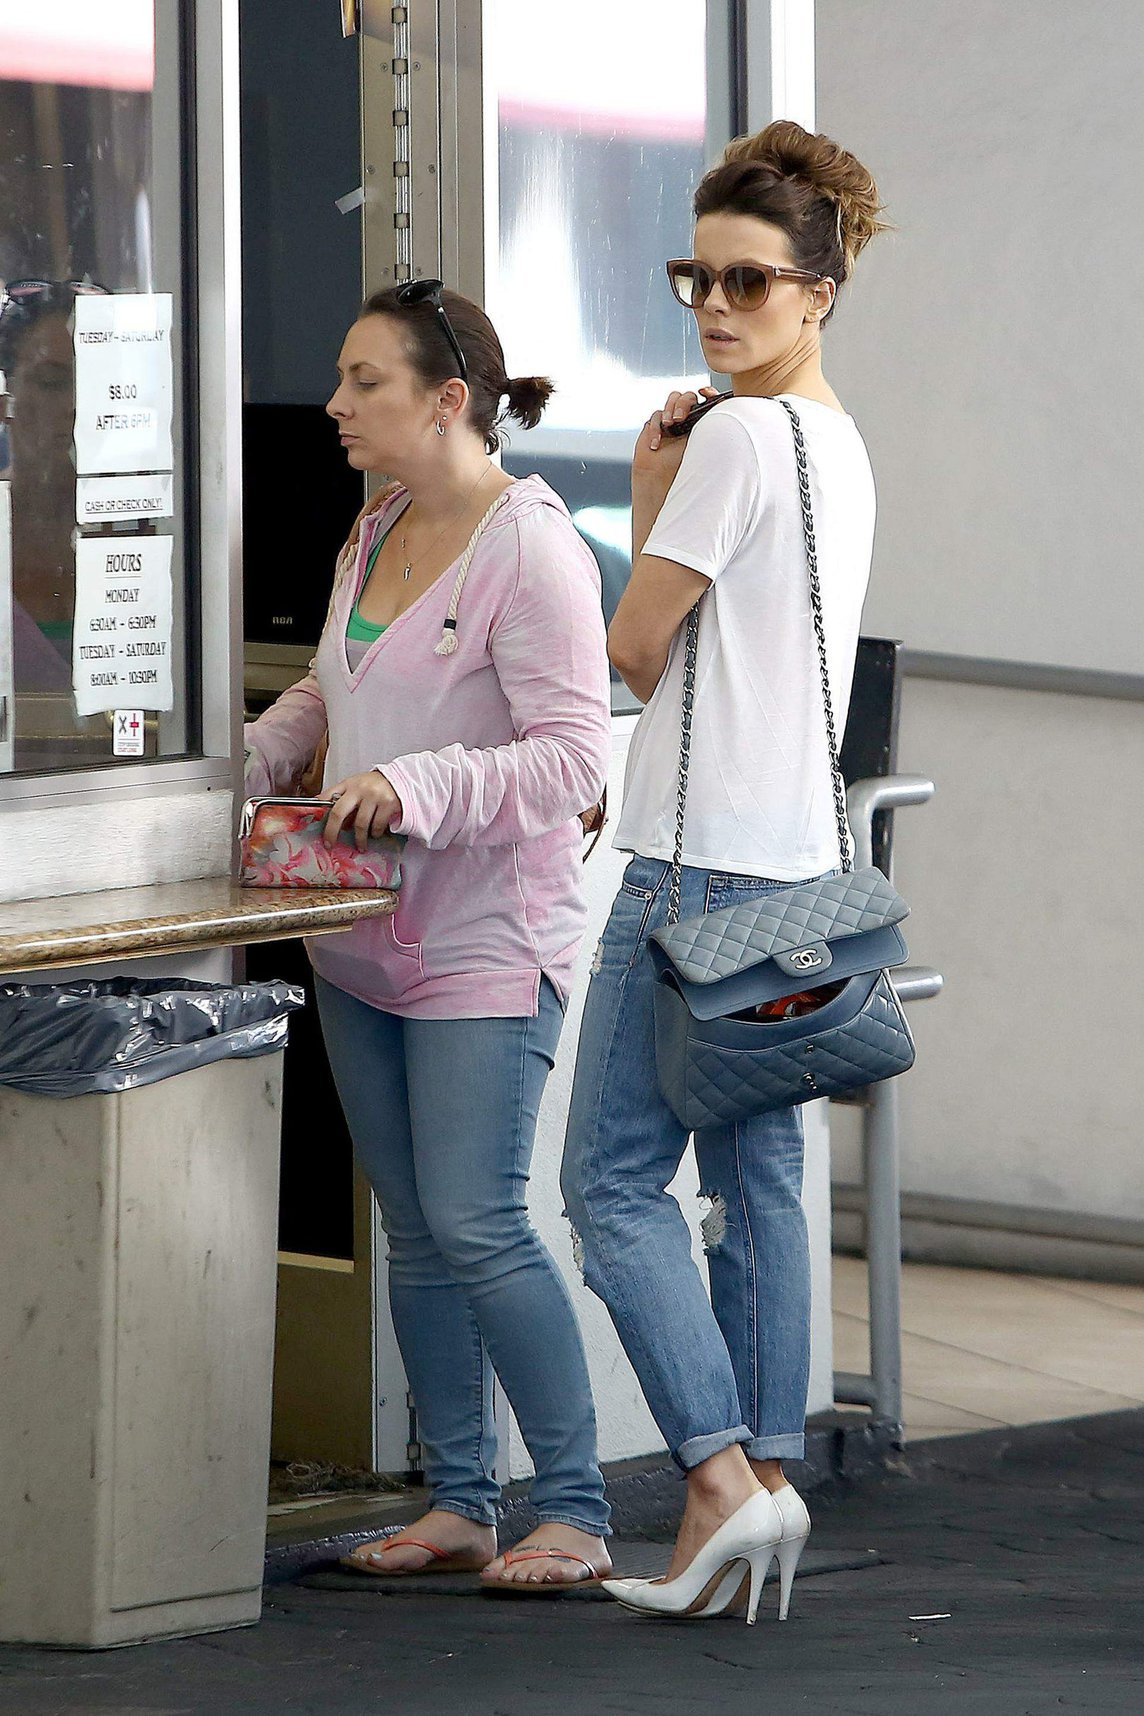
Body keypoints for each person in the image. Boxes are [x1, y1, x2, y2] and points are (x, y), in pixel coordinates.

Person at [560, 120, 888, 1622]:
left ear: (818, 291)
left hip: (693, 873)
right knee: (756, 1188)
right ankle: (766, 1471)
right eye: (697, 273)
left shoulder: (738, 438)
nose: (714, 304)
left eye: (749, 281)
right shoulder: (836, 439)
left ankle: (715, 1480)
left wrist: (645, 492)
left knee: (611, 1182)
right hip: (800, 873)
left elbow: (638, 651)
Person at [244, 281, 614, 1590]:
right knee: (412, 1223)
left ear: (448, 401)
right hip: (354, 937)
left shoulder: (533, 548)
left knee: (479, 1222)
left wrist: (421, 786)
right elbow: (330, 680)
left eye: (365, 383)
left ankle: (570, 1509)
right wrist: (259, 751)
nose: (335, 406)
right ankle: (459, 1501)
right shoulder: (377, 519)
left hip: (486, 943)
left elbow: (572, 758)